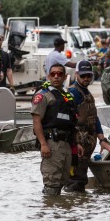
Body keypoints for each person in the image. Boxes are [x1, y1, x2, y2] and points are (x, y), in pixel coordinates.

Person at [65, 60, 110, 192]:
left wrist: (102, 140)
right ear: (76, 75)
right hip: (78, 144)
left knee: (81, 176)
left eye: (89, 76)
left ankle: (81, 205)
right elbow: (68, 122)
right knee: (76, 180)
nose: (86, 79)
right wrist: (75, 143)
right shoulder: (73, 93)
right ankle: (75, 205)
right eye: (83, 76)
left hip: (88, 144)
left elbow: (94, 118)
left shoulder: (86, 92)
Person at [31, 63, 80, 195]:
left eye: (60, 74)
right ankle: (49, 212)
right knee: (51, 184)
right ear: (48, 76)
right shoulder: (43, 95)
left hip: (67, 144)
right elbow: (36, 121)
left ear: (65, 77)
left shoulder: (67, 96)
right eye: (53, 74)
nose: (56, 77)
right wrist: (43, 144)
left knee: (63, 181)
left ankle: (58, 213)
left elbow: (72, 123)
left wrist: (77, 144)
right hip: (52, 143)